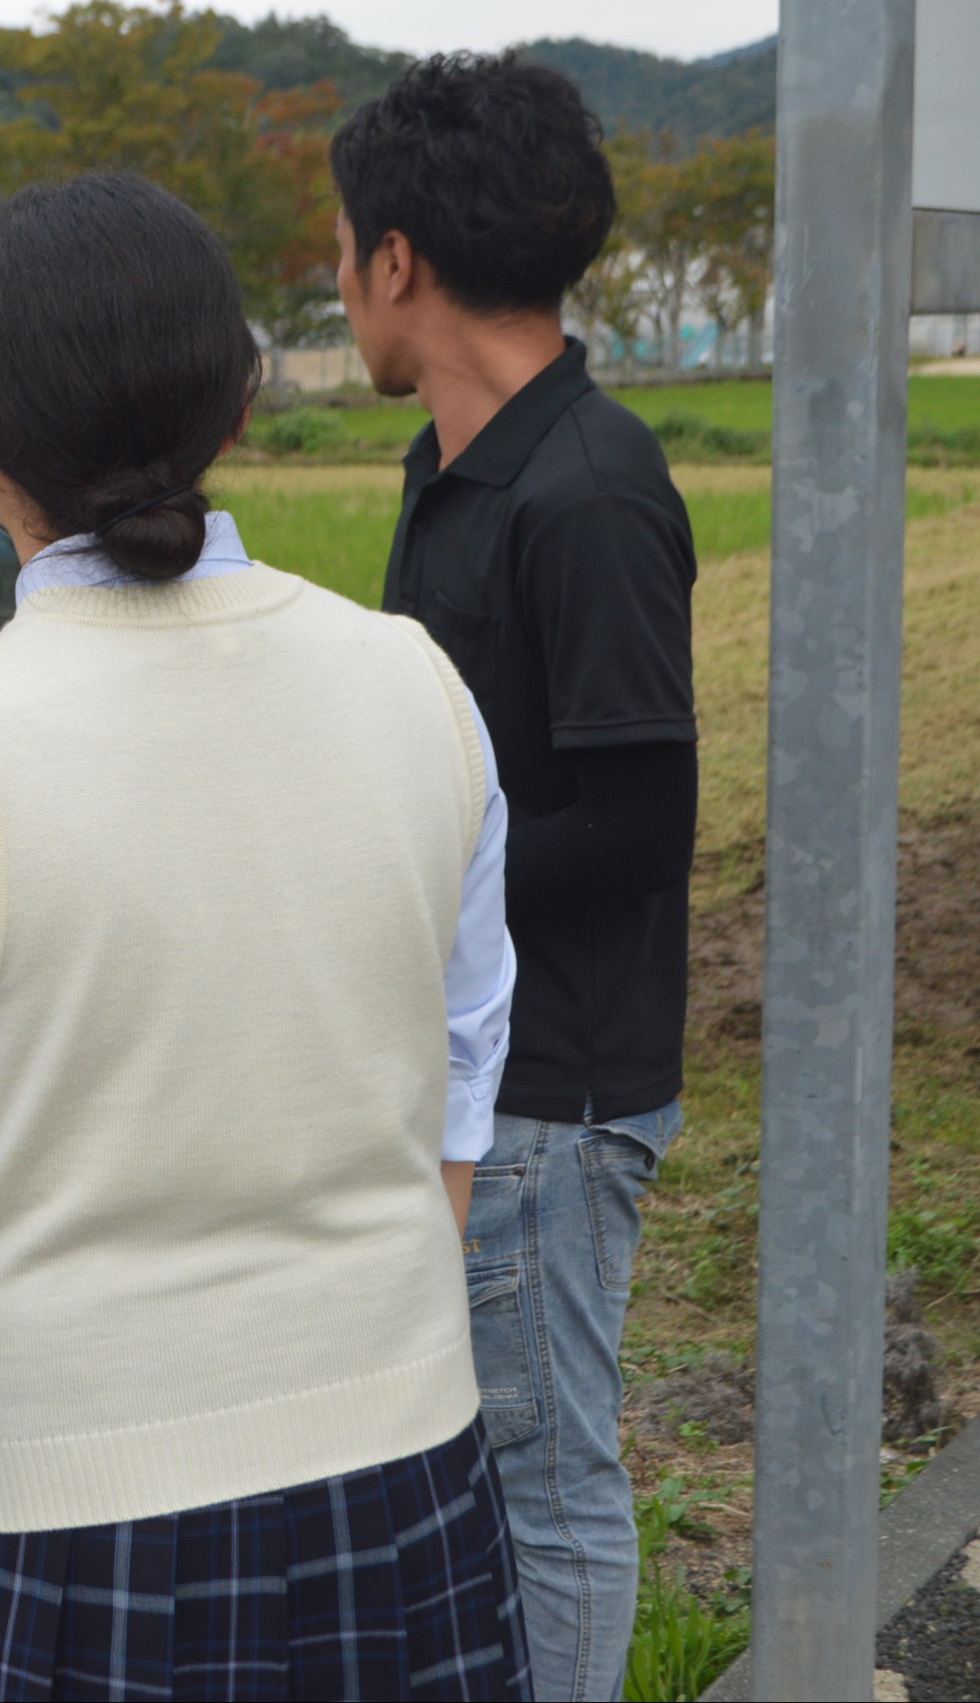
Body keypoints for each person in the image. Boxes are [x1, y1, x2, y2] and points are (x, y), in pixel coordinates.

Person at [0, 173, 527, 1703]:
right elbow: (456, 1100)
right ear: (241, 405)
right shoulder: (420, 690)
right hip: (403, 1484)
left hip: (38, 1532)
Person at [331, 55, 700, 1703]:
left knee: (546, 1494)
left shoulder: (590, 489)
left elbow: (639, 828)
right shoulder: (455, 471)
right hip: (478, 1070)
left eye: (343, 250)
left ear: (396, 257)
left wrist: (402, 896)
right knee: (476, 1478)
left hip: (555, 1089)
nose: (339, 285)